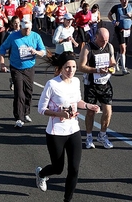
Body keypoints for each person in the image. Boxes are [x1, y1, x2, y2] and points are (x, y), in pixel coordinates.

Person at [36, 51, 100, 202]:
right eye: (67, 67)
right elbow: (41, 109)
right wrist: (60, 114)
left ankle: (67, 199)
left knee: (74, 169)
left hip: (73, 130)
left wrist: (89, 105)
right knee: (58, 169)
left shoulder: (76, 82)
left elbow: (77, 101)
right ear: (61, 68)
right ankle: (41, 174)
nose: (71, 70)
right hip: (55, 132)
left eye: (73, 67)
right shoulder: (52, 84)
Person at [0, 20, 46, 128]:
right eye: (25, 29)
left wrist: (36, 52)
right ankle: (19, 118)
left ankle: (26, 112)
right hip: (16, 68)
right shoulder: (13, 36)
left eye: (29, 29)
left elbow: (43, 51)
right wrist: (2, 63)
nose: (27, 31)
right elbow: (3, 48)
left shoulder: (36, 36)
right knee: (19, 92)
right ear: (21, 28)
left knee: (29, 92)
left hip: (29, 67)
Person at [78, 28, 117, 149]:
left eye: (106, 40)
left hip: (105, 84)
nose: (104, 43)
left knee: (108, 111)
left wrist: (112, 69)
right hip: (91, 84)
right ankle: (89, 136)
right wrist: (97, 70)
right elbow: (81, 67)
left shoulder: (109, 47)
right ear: (96, 37)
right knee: (91, 112)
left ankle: (102, 135)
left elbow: (113, 62)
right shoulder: (88, 48)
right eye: (101, 41)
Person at [107, 0, 132, 75]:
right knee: (123, 49)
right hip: (119, 29)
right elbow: (109, 15)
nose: (125, 1)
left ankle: (116, 63)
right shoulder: (116, 7)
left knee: (122, 49)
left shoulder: (131, 7)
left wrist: (131, 16)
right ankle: (124, 68)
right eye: (124, 0)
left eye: (127, 0)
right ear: (120, 0)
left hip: (128, 30)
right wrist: (113, 21)